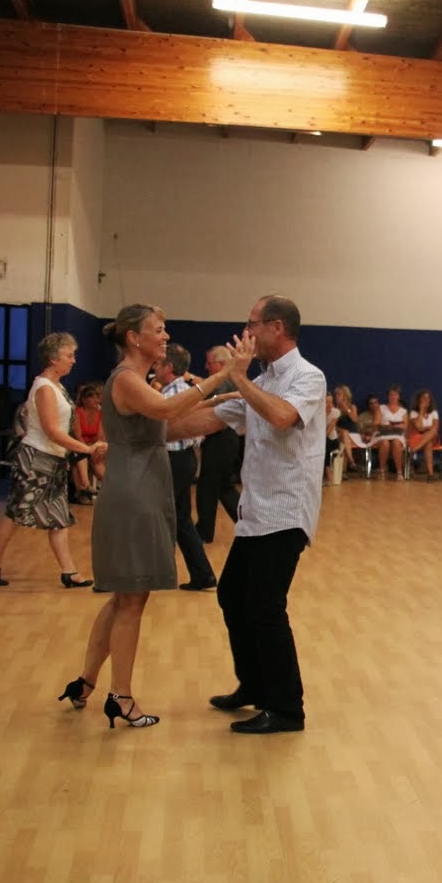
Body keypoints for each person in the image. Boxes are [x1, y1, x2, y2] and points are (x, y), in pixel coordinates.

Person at [56, 306, 242, 729]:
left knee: (123, 597)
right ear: (133, 338)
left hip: (141, 491)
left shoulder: (135, 382)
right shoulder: (126, 379)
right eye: (158, 330)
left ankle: (86, 682)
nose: (165, 336)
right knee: (132, 600)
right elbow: (166, 412)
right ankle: (121, 696)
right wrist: (222, 378)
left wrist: (223, 404)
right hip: (134, 496)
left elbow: (169, 427)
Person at [163, 296, 326, 736]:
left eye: (252, 324)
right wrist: (142, 432)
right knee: (233, 595)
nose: (246, 332)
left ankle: (287, 709)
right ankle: (253, 684)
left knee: (265, 607)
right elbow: (207, 420)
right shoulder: (263, 379)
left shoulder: (308, 376)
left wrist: (237, 377)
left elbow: (281, 416)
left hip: (287, 511)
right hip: (257, 512)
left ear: (276, 327)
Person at [0, 333, 108, 589]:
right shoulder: (44, 388)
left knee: (59, 518)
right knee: (15, 513)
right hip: (35, 460)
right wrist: (85, 448)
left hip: (54, 459)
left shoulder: (57, 386)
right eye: (69, 355)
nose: (73, 360)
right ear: (52, 358)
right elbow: (52, 430)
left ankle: (69, 572)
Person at [156, 344, 217, 592]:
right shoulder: (185, 391)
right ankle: (203, 575)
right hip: (185, 459)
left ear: (168, 367)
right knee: (181, 519)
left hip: (172, 459)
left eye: (158, 363)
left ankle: (159, 575)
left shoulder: (173, 394)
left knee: (162, 517)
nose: (154, 368)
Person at [194, 345, 242, 541]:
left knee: (207, 486)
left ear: (221, 364)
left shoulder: (225, 381)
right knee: (224, 487)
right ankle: (248, 526)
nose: (206, 366)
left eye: (209, 363)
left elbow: (214, 401)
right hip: (226, 439)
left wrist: (194, 381)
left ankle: (204, 532)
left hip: (221, 439)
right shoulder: (229, 380)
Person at [69, 382, 104, 503]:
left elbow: (100, 436)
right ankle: (86, 486)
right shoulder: (77, 412)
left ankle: (110, 490)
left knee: (98, 463)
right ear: (84, 399)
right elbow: (78, 436)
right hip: (78, 444)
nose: (96, 400)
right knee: (81, 455)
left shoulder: (100, 414)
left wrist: (95, 449)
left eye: (98, 397)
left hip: (93, 445)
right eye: (92, 397)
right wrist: (88, 449)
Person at [374, 385, 408, 479]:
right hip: (383, 433)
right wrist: (384, 426)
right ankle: (381, 470)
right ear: (388, 396)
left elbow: (405, 427)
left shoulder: (403, 411)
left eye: (395, 395)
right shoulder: (381, 408)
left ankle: (399, 472)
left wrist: (397, 426)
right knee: (385, 443)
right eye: (391, 395)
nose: (393, 397)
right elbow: (376, 424)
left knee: (396, 442)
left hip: (397, 434)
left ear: (399, 396)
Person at [407, 389, 441, 480]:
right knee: (428, 444)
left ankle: (413, 451)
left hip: (432, 436)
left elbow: (435, 427)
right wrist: (421, 411)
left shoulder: (434, 412)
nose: (426, 400)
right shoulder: (414, 413)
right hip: (417, 437)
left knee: (432, 432)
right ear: (419, 400)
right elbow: (418, 427)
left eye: (428, 398)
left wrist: (425, 428)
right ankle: (431, 475)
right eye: (424, 398)